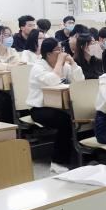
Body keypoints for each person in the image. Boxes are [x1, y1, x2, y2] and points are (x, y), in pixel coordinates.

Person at [29, 38, 85, 173]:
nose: (62, 53)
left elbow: (80, 81)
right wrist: (60, 62)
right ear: (48, 54)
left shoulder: (64, 66)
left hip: (61, 106)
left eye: (62, 49)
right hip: (40, 108)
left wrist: (73, 63)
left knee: (82, 115)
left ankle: (82, 157)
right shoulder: (38, 68)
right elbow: (53, 81)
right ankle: (57, 162)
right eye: (58, 50)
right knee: (65, 121)